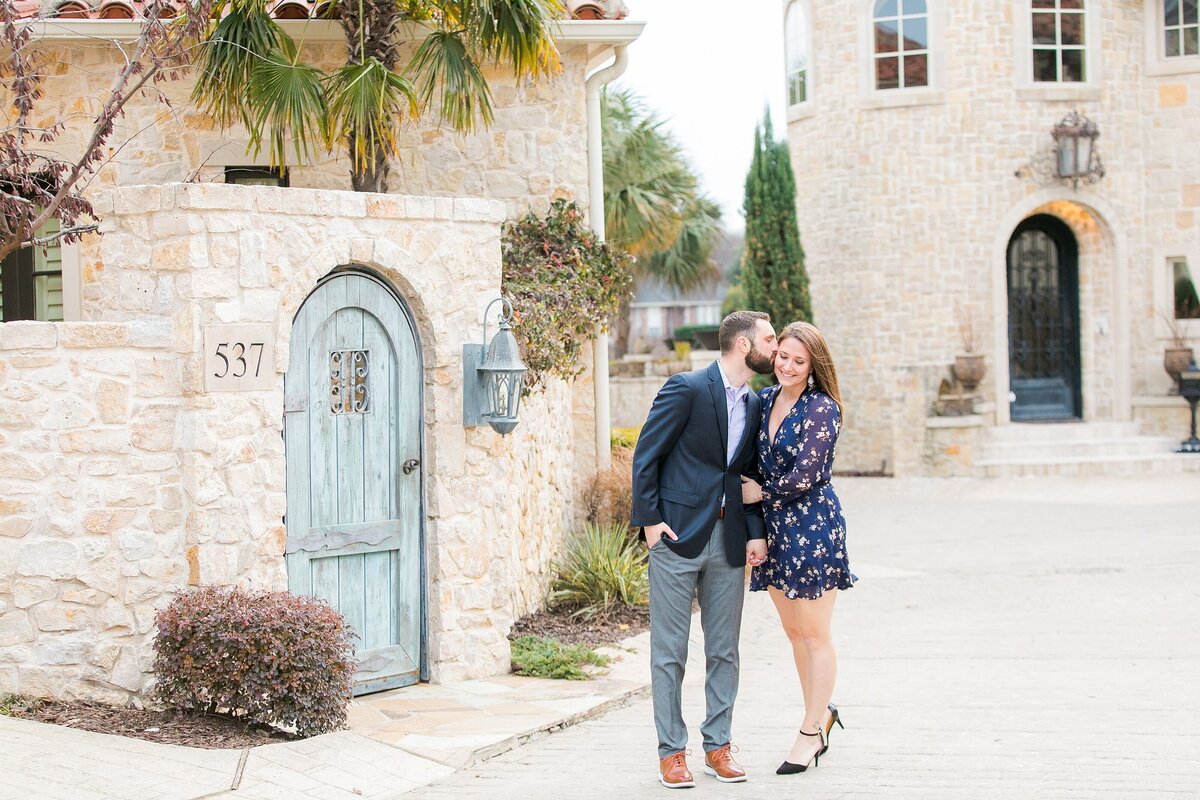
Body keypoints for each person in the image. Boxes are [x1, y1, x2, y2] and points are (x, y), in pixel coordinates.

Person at [630, 310, 778, 789]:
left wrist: (754, 531)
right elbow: (646, 455)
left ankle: (718, 745)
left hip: (728, 539)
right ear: (742, 345)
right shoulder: (687, 387)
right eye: (770, 339)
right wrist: (650, 522)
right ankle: (671, 752)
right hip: (676, 537)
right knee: (670, 652)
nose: (775, 348)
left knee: (725, 651)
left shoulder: (755, 404)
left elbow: (745, 473)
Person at [740, 320, 857, 775]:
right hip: (773, 531)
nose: (787, 365)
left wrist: (758, 494)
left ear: (814, 366)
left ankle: (810, 731)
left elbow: (804, 477)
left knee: (814, 633)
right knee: (793, 634)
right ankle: (821, 713)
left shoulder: (822, 409)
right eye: (783, 356)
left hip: (812, 526)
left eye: (798, 360)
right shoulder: (765, 399)